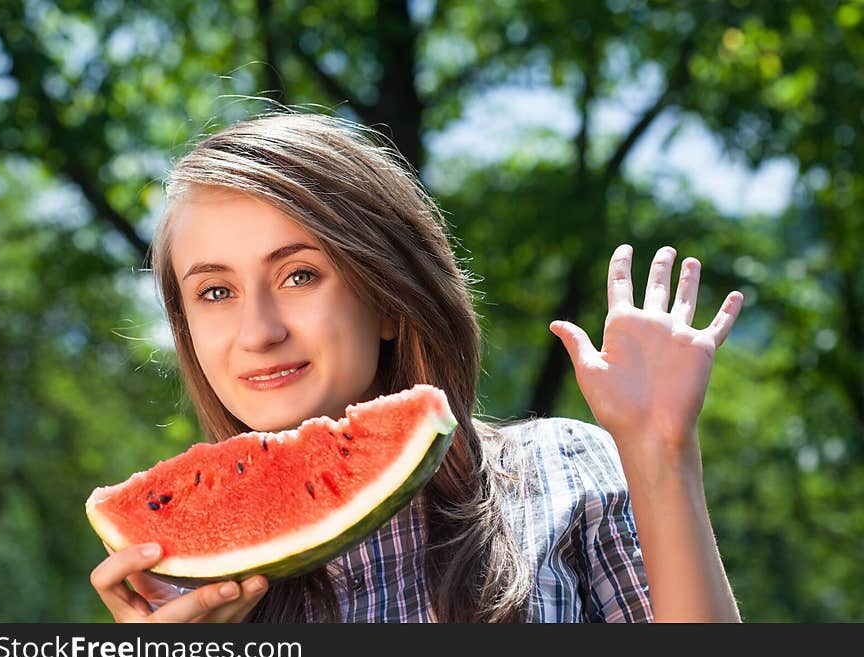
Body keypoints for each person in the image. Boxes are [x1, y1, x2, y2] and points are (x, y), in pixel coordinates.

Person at [90, 110, 744, 623]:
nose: (259, 331)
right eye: (215, 291)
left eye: (299, 274)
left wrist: (660, 449)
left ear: (388, 302)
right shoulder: (182, 584)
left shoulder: (559, 468)